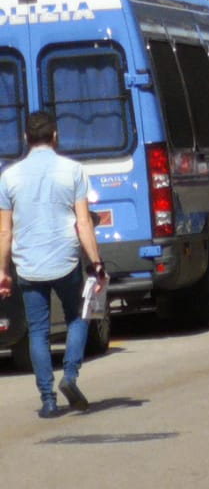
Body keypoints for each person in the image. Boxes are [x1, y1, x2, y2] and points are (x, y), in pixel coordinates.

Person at [0, 112, 109, 417]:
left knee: (38, 330)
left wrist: (3, 271)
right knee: (77, 317)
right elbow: (84, 223)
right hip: (65, 259)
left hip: (28, 263)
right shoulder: (73, 171)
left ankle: (48, 399)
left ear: (26, 139)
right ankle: (70, 376)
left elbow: (5, 230)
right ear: (55, 136)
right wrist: (96, 264)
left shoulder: (9, 177)